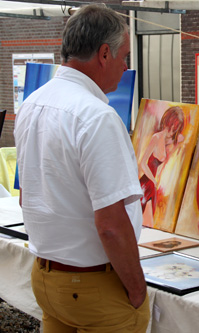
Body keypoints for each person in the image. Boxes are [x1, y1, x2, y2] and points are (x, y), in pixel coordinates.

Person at [14, 4, 150, 332]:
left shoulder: (32, 103)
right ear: (105, 54)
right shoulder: (97, 117)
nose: (125, 66)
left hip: (47, 278)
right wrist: (137, 289)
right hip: (93, 285)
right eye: (124, 56)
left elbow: (26, 197)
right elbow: (111, 225)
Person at [139, 106, 184, 227]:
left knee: (148, 225)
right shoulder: (156, 138)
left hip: (153, 186)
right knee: (147, 225)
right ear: (166, 122)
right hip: (146, 184)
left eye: (175, 128)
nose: (172, 131)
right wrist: (154, 181)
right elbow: (143, 163)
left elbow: (181, 138)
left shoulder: (170, 139)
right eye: (171, 127)